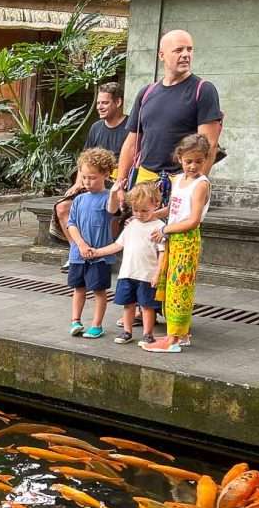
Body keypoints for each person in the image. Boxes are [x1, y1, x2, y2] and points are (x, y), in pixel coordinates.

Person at [115, 30, 222, 210]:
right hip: (145, 180)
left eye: (190, 49)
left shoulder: (203, 90)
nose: (186, 55)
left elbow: (209, 145)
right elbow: (132, 143)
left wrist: (194, 187)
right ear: (162, 55)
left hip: (181, 180)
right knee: (142, 235)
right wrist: (120, 183)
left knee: (174, 237)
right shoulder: (146, 93)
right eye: (179, 50)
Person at [142, 134, 211, 354]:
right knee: (169, 286)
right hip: (173, 238)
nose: (193, 166)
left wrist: (164, 229)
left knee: (179, 288)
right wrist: (149, 215)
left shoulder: (201, 184)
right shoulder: (179, 180)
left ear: (205, 160)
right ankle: (180, 334)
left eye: (199, 161)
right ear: (179, 157)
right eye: (189, 160)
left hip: (187, 241)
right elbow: (173, 209)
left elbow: (193, 220)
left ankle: (173, 338)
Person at [54, 82, 130, 257]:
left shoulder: (130, 128)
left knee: (108, 211)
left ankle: (104, 253)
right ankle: (77, 251)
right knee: (62, 208)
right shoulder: (96, 128)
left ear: (118, 102)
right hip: (92, 181)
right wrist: (78, 183)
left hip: (117, 183)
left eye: (105, 103)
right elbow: (85, 159)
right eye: (98, 103)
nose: (100, 107)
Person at [86, 183, 164, 345]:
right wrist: (98, 252)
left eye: (144, 210)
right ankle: (127, 331)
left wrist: (158, 273)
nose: (140, 214)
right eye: (136, 210)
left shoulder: (159, 227)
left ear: (156, 205)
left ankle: (148, 334)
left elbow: (163, 252)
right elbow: (118, 245)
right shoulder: (131, 225)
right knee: (128, 305)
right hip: (127, 273)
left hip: (147, 275)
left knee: (147, 306)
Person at [64, 147, 119, 338]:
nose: (87, 182)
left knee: (98, 290)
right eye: (84, 177)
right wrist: (80, 245)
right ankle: (75, 320)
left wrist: (115, 192)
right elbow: (71, 224)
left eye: (92, 177)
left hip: (100, 256)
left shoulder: (108, 197)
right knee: (78, 288)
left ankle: (97, 325)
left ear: (105, 174)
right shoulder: (78, 199)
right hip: (79, 255)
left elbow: (112, 210)